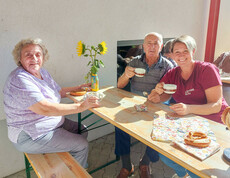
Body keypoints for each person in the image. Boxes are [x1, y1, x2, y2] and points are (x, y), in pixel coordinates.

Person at [3, 38, 100, 168]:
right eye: (28, 55)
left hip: (50, 125)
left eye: (38, 54)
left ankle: (72, 164)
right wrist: (81, 106)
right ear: (19, 59)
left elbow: (58, 91)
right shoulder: (20, 79)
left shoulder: (42, 72)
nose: (34, 58)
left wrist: (78, 88)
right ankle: (76, 171)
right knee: (82, 145)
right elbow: (44, 109)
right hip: (32, 134)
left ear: (43, 57)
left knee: (81, 130)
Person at [148, 35, 228, 178]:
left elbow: (216, 106)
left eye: (185, 51)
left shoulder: (207, 70)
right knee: (164, 154)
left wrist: (188, 108)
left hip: (215, 124)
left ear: (193, 51)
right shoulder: (172, 73)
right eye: (177, 52)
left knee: (197, 165)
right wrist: (156, 95)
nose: (181, 55)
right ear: (171, 55)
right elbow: (165, 94)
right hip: (189, 123)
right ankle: (184, 174)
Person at [116, 32, 174, 178]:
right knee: (119, 125)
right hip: (135, 103)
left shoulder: (168, 66)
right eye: (149, 43)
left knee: (160, 128)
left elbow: (170, 92)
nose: (152, 46)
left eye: (156, 43)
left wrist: (159, 97)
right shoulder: (134, 62)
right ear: (143, 46)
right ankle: (127, 165)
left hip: (157, 104)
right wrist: (125, 75)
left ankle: (145, 163)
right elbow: (120, 85)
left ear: (161, 47)